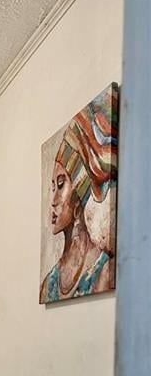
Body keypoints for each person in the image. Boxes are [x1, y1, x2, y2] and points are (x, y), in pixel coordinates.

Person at [40, 85, 118, 303]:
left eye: (61, 185)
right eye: (52, 188)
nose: (53, 202)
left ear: (80, 190)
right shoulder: (49, 284)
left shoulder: (104, 271)